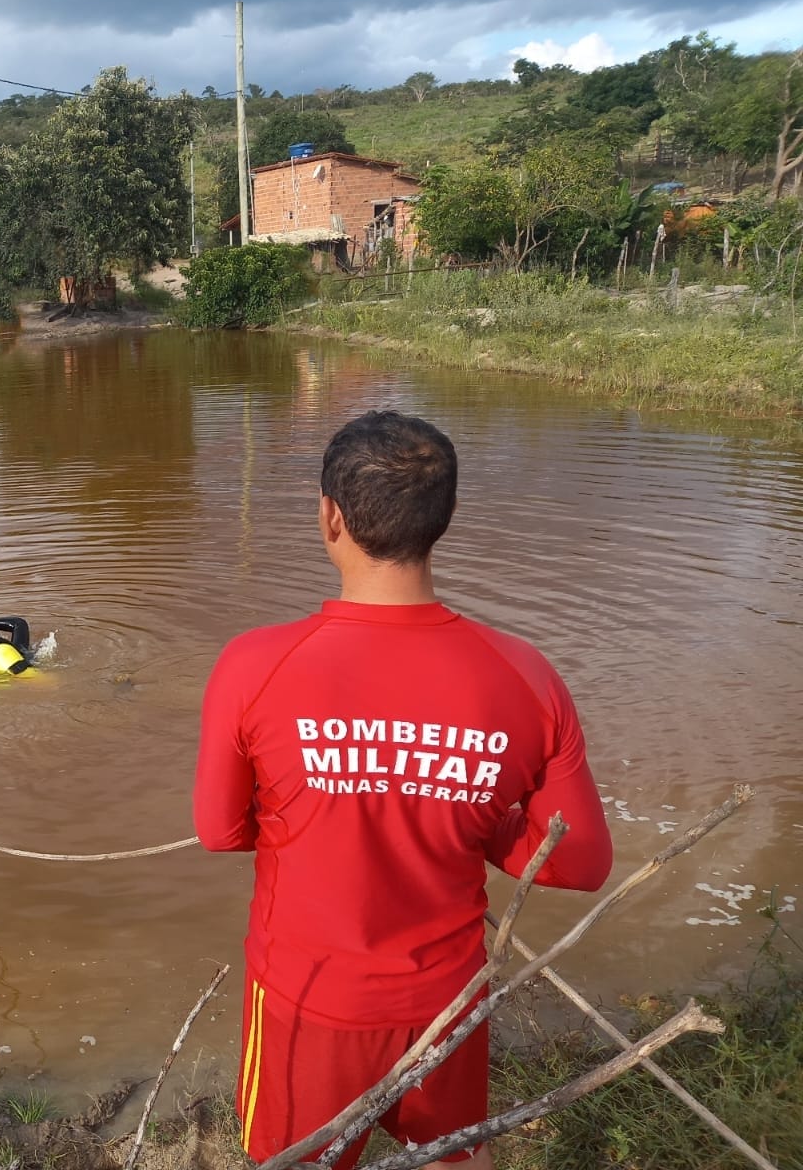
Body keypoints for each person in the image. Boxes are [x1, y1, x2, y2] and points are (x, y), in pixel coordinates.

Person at [193, 410, 613, 1170]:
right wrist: (471, 811)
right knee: (453, 1160)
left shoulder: (254, 666)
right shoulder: (526, 675)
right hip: (445, 1005)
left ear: (329, 516)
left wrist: (324, 798)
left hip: (306, 1004)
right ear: (442, 519)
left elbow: (221, 830)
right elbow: (577, 861)